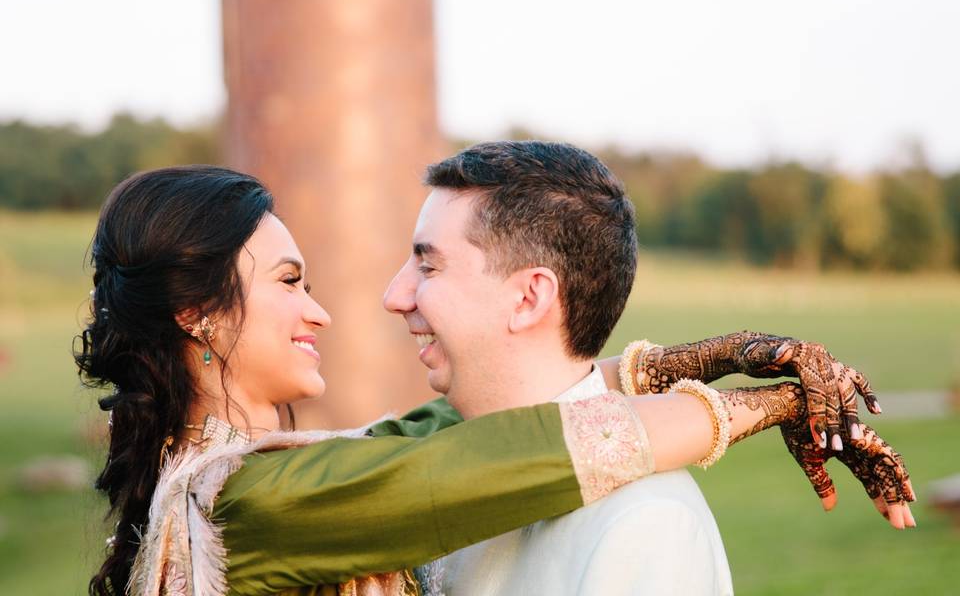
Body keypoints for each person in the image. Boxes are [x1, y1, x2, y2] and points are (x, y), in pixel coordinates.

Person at [76, 165, 912, 596]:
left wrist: (725, 353)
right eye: (290, 282)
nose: (326, 311)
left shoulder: (250, 478)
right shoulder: (248, 498)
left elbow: (438, 437)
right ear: (198, 312)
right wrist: (784, 400)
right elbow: (517, 454)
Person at [380, 141, 914, 595]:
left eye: (428, 264)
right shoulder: (442, 462)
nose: (395, 295)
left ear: (528, 298)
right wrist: (764, 393)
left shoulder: (646, 525)